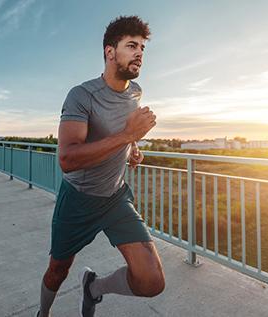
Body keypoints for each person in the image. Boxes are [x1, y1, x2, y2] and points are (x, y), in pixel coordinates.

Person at [37, 15, 164, 317]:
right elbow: (67, 159)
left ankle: (94, 288)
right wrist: (128, 136)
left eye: (143, 48)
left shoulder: (135, 92)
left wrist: (132, 147)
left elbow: (124, 132)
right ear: (110, 52)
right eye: (132, 45)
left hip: (116, 197)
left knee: (151, 280)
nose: (139, 54)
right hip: (79, 199)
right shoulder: (82, 95)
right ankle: (42, 313)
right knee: (57, 270)